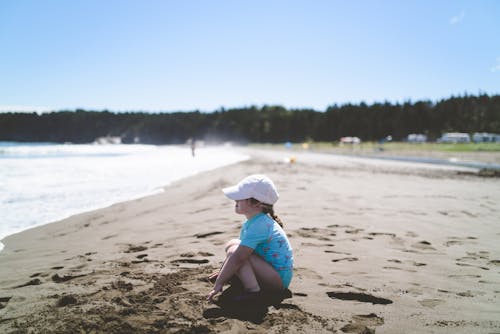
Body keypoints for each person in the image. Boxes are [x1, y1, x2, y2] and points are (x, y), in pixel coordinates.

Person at [207, 174, 294, 302]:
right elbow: (240, 254)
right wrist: (224, 273)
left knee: (235, 252)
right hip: (270, 273)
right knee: (233, 244)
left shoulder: (260, 225)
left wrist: (219, 283)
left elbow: (238, 258)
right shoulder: (255, 221)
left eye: (240, 197)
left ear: (257, 203)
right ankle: (242, 279)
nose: (235, 200)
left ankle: (253, 291)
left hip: (277, 281)